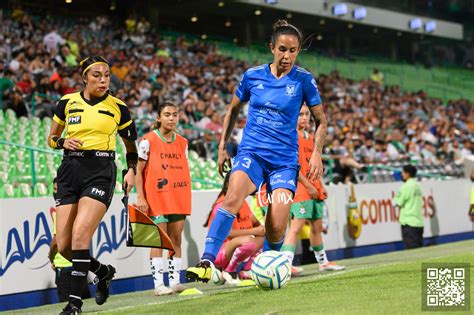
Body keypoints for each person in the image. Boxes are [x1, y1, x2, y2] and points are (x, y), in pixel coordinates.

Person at [186, 20, 327, 282]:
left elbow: (322, 120)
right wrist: (221, 147)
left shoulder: (304, 80)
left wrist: (317, 152)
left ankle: (270, 266)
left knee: (275, 226)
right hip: (252, 153)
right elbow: (233, 110)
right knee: (232, 197)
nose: (287, 56)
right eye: (282, 49)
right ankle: (207, 260)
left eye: (293, 51)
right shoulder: (253, 76)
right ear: (272, 47)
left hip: (284, 162)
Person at [47, 55, 138, 314]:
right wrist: (62, 142)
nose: (103, 79)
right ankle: (103, 271)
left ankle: (74, 303)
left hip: (100, 171)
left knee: (80, 235)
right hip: (69, 171)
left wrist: (131, 170)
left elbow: (131, 147)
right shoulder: (67, 102)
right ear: (84, 77)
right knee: (64, 246)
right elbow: (51, 138)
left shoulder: (118, 107)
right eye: (96, 74)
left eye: (107, 75)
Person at [136, 101, 192, 295]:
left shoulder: (183, 142)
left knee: (176, 239)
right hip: (156, 197)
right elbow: (138, 170)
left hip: (179, 195)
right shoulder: (148, 140)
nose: (171, 118)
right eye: (167, 114)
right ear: (158, 117)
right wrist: (141, 197)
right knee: (159, 240)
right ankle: (159, 284)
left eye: (175, 114)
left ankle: (176, 281)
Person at [281, 105, 344, 275]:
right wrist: (308, 185)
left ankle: (323, 262)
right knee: (295, 227)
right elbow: (291, 165)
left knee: (317, 227)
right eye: (300, 114)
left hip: (314, 187)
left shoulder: (311, 138)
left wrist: (319, 185)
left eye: (307, 114)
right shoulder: (290, 136)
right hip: (300, 187)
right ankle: (285, 265)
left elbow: (314, 164)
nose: (304, 117)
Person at [204, 173, 264, 284]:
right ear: (228, 184)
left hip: (237, 246)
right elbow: (227, 233)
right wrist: (253, 231)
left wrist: (265, 225)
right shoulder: (221, 206)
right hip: (220, 252)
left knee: (265, 235)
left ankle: (247, 270)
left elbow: (254, 221)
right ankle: (229, 271)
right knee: (249, 240)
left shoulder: (243, 202)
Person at [49, 178, 91, 302]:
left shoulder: (63, 211)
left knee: (67, 303)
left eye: (58, 188)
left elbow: (56, 241)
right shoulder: (79, 209)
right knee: (85, 302)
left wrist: (51, 257)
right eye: (54, 188)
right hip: (78, 263)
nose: (55, 192)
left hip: (64, 266)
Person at [394, 165, 424, 249]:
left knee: (412, 251)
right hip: (419, 222)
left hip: (409, 222)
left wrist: (395, 198)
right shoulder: (417, 186)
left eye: (403, 172)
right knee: (420, 250)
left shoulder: (405, 187)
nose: (402, 174)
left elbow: (398, 202)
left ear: (407, 174)